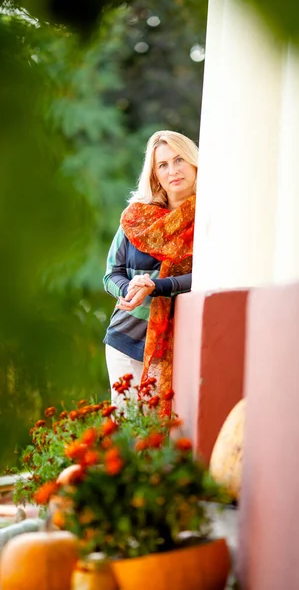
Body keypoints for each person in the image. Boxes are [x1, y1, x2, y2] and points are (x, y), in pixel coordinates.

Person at [103, 130, 198, 414]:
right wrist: (130, 288)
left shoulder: (208, 218)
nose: (173, 170)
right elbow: (111, 274)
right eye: (163, 165)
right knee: (129, 433)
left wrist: (156, 286)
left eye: (179, 159)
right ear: (155, 174)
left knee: (158, 438)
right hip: (125, 340)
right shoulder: (137, 218)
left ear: (194, 162)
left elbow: (205, 277)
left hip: (172, 347)